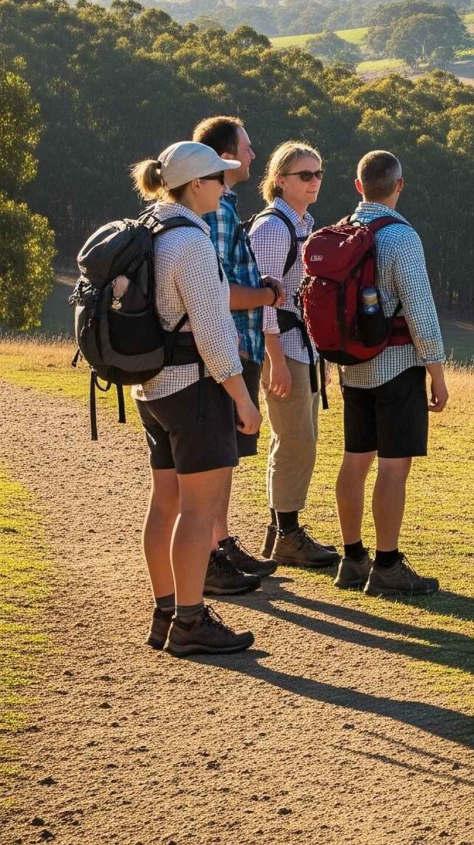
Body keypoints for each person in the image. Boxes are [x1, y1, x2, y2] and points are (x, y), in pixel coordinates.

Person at [130, 141, 261, 656]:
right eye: (219, 178)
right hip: (195, 392)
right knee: (198, 513)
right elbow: (212, 333)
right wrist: (243, 401)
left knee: (165, 504)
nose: (226, 185)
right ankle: (190, 622)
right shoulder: (192, 243)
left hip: (153, 388)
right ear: (197, 185)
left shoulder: (153, 227)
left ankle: (166, 612)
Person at [334, 150, 449, 597]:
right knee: (393, 468)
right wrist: (437, 372)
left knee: (355, 460)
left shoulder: (343, 230)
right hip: (397, 366)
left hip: (351, 368)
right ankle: (387, 566)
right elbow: (420, 310)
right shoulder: (401, 237)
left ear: (359, 185)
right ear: (399, 185)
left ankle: (352, 558)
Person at [191, 115, 285, 591]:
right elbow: (219, 291)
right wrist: (268, 296)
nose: (253, 155)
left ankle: (221, 545)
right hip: (224, 346)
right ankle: (209, 557)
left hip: (233, 346)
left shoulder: (223, 204)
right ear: (226, 155)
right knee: (215, 458)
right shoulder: (219, 211)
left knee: (226, 456)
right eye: (246, 148)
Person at [248, 141, 339, 569]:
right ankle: (286, 534)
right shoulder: (273, 229)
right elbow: (264, 298)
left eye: (319, 174)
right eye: (305, 175)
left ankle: (281, 530)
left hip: (298, 345)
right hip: (280, 345)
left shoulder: (300, 223)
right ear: (280, 180)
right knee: (296, 439)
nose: (315, 181)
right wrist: (276, 360)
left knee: (298, 438)